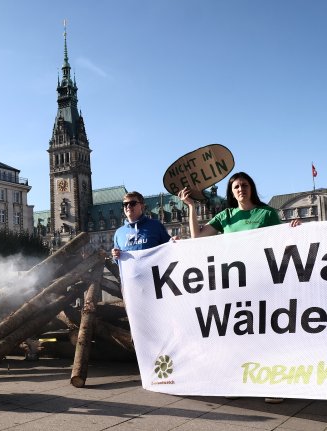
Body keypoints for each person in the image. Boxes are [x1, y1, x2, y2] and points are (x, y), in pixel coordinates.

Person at [180, 172, 299, 404]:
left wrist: (294, 229)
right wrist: (191, 207)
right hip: (234, 281)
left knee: (266, 331)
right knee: (237, 332)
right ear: (231, 192)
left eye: (244, 185)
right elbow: (197, 237)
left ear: (251, 188)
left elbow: (282, 240)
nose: (240, 189)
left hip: (262, 278)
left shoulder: (266, 213)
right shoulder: (225, 215)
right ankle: (236, 380)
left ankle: (273, 384)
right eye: (236, 187)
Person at [111, 191, 171, 260]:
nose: (128, 206)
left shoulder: (156, 225)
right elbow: (118, 262)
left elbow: (169, 249)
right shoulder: (119, 233)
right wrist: (115, 255)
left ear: (142, 206)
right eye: (125, 204)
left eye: (132, 203)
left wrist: (174, 242)